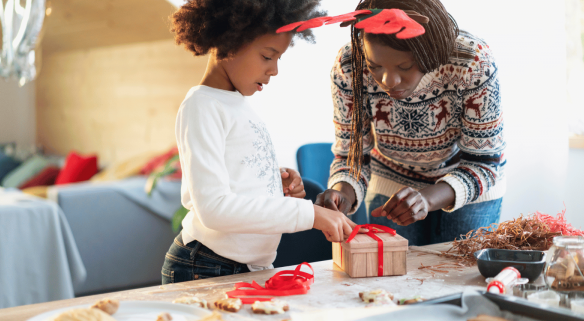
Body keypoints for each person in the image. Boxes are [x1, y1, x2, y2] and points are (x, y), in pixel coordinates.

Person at [162, 0, 357, 284]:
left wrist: (274, 185)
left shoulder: (238, 104)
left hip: (246, 266)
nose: (275, 70)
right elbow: (214, 208)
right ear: (229, 42)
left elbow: (237, 180)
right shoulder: (202, 105)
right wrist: (308, 213)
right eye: (268, 56)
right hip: (205, 264)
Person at [316, 0, 506, 246]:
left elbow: (485, 162)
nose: (389, 80)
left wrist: (426, 199)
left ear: (431, 51)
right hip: (393, 182)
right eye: (375, 66)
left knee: (461, 278)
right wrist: (341, 192)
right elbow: (352, 156)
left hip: (469, 184)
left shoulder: (472, 62)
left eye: (404, 66)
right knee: (392, 279)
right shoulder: (349, 65)